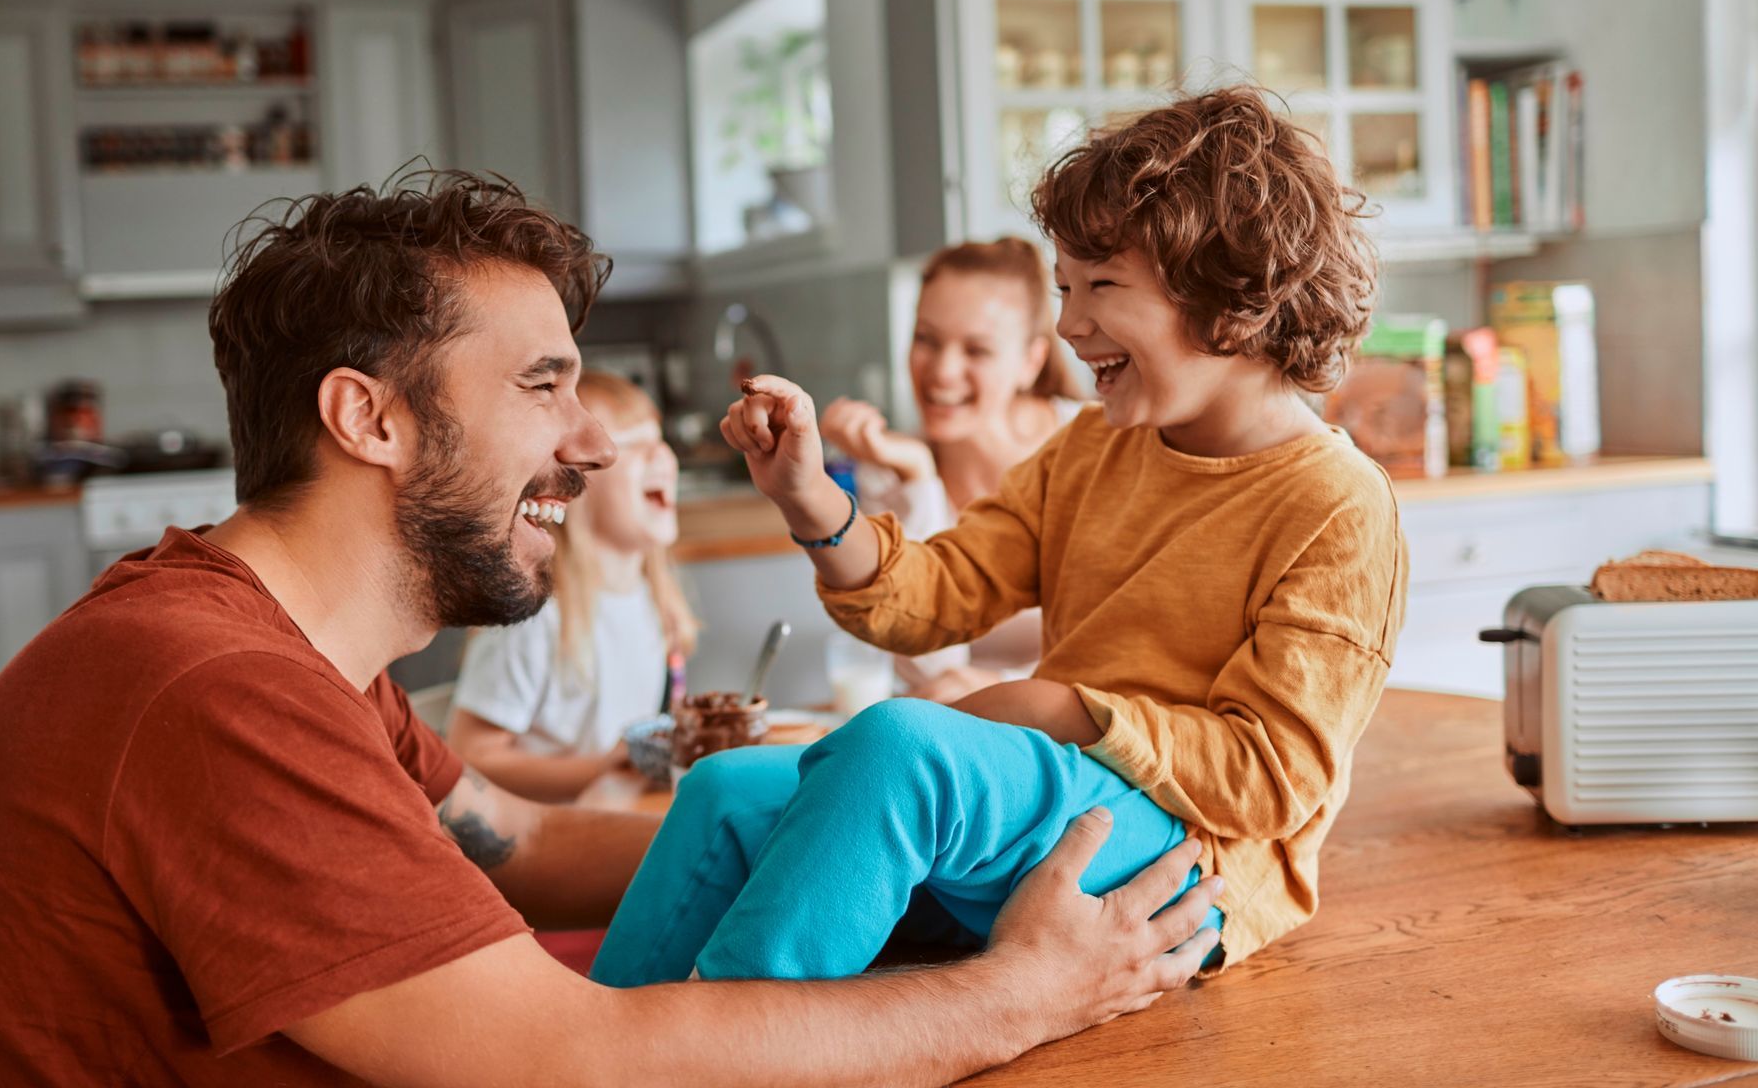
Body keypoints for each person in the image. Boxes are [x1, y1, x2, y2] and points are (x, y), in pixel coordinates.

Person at [0, 169, 1220, 1086]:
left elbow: (532, 844)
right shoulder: (208, 691)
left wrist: (880, 844)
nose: (591, 446)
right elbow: (578, 1065)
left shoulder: (283, 655)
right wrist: (1016, 997)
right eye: (544, 389)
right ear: (365, 417)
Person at [592, 87, 1404, 989]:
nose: (1069, 324)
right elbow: (937, 594)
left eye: (1101, 286)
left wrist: (1059, 707)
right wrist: (811, 498)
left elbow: (1271, 778)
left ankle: (734, 1052)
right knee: (723, 790)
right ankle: (591, 1055)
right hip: (1058, 788)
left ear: (1228, 297)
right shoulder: (1097, 446)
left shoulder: (1337, 505)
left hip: (1194, 855)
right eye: (1064, 288)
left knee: (901, 748)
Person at [819, 237, 1082, 701]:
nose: (942, 370)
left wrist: (1003, 686)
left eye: (976, 350)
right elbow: (922, 663)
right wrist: (921, 480)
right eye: (927, 339)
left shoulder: (1089, 446)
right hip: (956, 726)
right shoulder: (891, 471)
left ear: (1030, 362)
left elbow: (1126, 650)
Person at [446, 370, 697, 802]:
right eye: (633, 444)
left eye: (660, 440)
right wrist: (600, 769)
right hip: (550, 839)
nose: (662, 457)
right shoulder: (536, 617)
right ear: (573, 482)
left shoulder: (652, 600)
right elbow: (471, 754)